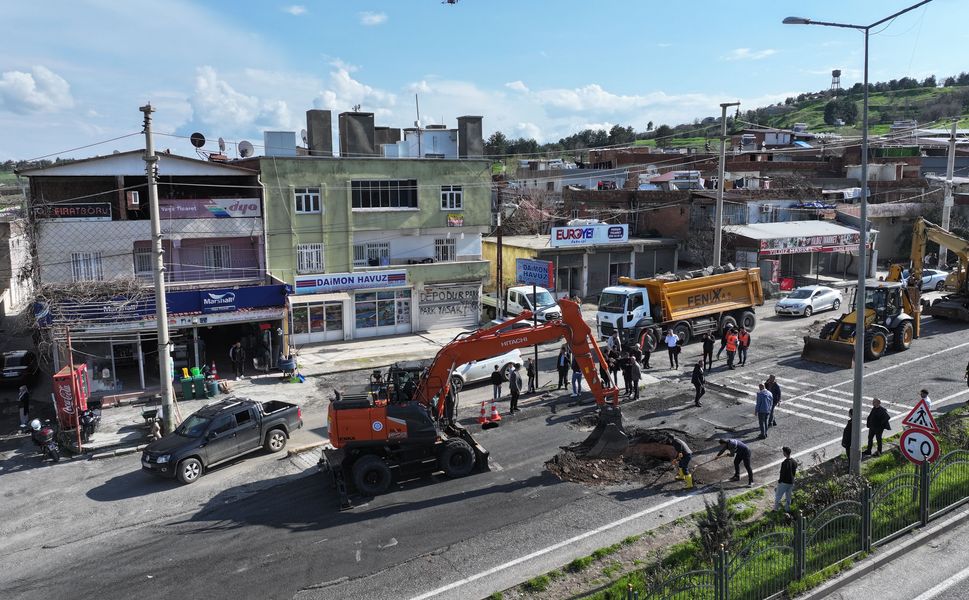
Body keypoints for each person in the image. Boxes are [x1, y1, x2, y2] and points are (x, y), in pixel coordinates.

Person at [775, 447, 797, 511]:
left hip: (784, 482)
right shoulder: (794, 462)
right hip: (791, 482)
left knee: (778, 496)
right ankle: (787, 509)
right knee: (788, 497)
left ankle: (776, 509)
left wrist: (779, 481)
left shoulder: (784, 463)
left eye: (783, 452)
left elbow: (782, 474)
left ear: (785, 453)